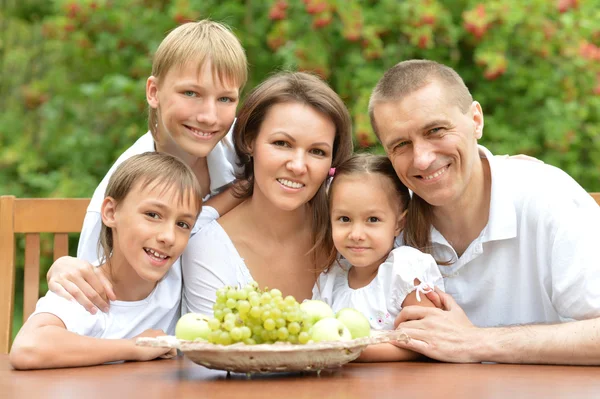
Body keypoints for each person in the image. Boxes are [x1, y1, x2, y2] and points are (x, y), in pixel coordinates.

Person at [368, 59, 600, 365]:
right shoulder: (385, 220)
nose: (422, 159)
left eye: (436, 130)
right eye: (401, 144)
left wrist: (475, 341)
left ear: (476, 120)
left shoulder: (549, 197)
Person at [45, 19, 248, 315]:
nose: (208, 116)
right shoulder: (120, 194)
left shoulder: (243, 156)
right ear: (153, 92)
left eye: (226, 99)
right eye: (191, 93)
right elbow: (95, 303)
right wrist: (64, 269)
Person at [181, 71, 354, 315]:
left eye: (317, 151)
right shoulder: (207, 250)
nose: (297, 166)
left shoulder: (352, 235)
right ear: (250, 141)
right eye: (282, 144)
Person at [10, 152, 203, 370]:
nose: (168, 237)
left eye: (183, 224)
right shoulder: (84, 288)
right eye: (153, 214)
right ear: (111, 213)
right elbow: (27, 348)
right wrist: (134, 347)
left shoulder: (180, 277)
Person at [312, 153, 443, 362]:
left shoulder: (404, 271)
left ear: (399, 223)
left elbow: (427, 340)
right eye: (344, 219)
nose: (356, 234)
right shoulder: (329, 281)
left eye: (372, 219)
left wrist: (352, 351)